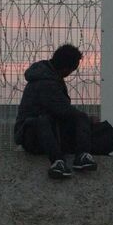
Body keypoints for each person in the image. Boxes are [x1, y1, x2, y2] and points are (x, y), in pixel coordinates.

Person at [14, 44, 98, 179]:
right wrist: (87, 119)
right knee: (49, 119)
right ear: (66, 68)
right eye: (72, 69)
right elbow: (62, 109)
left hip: (45, 134)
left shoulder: (50, 76)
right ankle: (60, 161)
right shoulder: (46, 82)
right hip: (32, 136)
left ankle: (79, 156)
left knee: (56, 119)